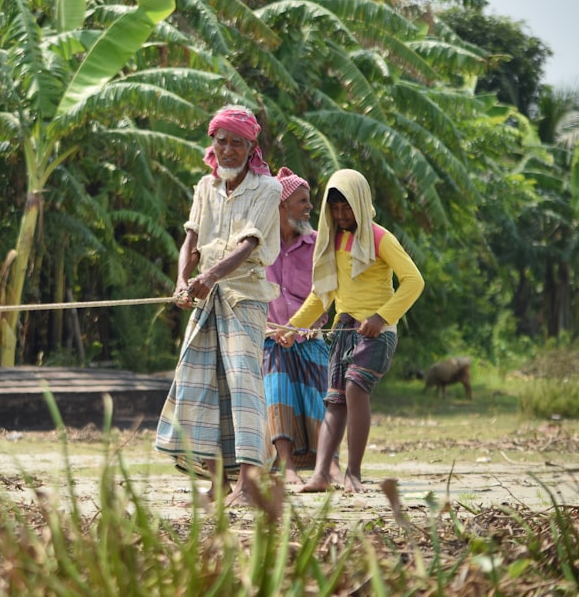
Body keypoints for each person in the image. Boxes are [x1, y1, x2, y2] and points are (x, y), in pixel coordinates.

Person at [156, 105, 282, 507]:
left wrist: (209, 278)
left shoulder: (268, 189)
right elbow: (191, 241)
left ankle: (249, 483)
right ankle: (217, 483)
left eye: (237, 144)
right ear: (213, 144)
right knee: (200, 385)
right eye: (221, 142)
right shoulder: (204, 188)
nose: (228, 150)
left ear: (250, 148)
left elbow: (249, 246)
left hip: (244, 298)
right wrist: (181, 281)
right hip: (204, 297)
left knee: (244, 386)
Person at [275, 169, 423, 493]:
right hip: (342, 328)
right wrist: (292, 328)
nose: (341, 215)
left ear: (361, 203)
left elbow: (414, 281)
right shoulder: (333, 240)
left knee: (356, 389)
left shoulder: (382, 238)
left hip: (376, 333)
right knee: (334, 400)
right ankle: (321, 476)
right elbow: (321, 294)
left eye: (347, 208)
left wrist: (381, 318)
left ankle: (353, 473)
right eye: (335, 208)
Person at [263, 167, 334, 485]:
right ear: (281, 205)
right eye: (302, 201)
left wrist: (298, 329)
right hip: (270, 338)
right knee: (277, 389)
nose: (309, 207)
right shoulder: (259, 245)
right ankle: (286, 463)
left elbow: (327, 291)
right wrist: (278, 331)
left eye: (309, 201)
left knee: (321, 396)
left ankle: (329, 464)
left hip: (310, 336)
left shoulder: (318, 243)